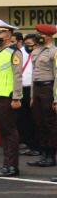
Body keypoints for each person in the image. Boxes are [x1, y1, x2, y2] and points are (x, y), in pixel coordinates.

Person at [0, 19, 24, 177]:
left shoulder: (14, 52)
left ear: (9, 35)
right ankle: (6, 165)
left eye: (0, 33)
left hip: (8, 97)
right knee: (3, 131)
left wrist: (16, 97)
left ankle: (12, 166)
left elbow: (17, 76)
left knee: (10, 132)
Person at [27, 24, 56, 168]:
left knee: (49, 123)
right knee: (39, 122)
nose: (37, 36)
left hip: (48, 88)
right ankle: (43, 154)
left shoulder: (54, 51)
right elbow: (33, 75)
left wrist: (56, 98)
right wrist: (32, 95)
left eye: (40, 34)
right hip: (37, 89)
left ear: (48, 36)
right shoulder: (36, 51)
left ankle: (51, 155)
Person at [19, 33, 39, 155]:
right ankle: (30, 145)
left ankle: (38, 147)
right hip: (23, 90)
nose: (27, 47)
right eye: (26, 44)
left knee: (35, 119)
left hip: (35, 89)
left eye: (30, 44)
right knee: (25, 119)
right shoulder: (21, 53)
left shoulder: (40, 54)